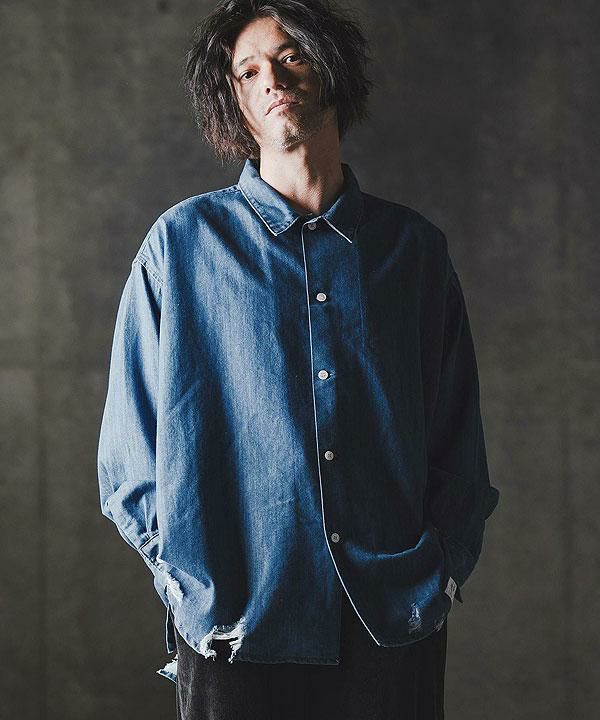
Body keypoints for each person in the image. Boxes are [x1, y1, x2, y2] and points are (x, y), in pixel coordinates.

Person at [96, 0, 500, 717]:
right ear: (234, 103)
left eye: (290, 57)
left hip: (391, 619)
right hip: (235, 624)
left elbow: (457, 436)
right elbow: (129, 463)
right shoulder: (180, 247)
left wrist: (439, 572)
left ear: (330, 68)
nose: (273, 80)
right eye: (248, 71)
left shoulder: (412, 252)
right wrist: (190, 587)